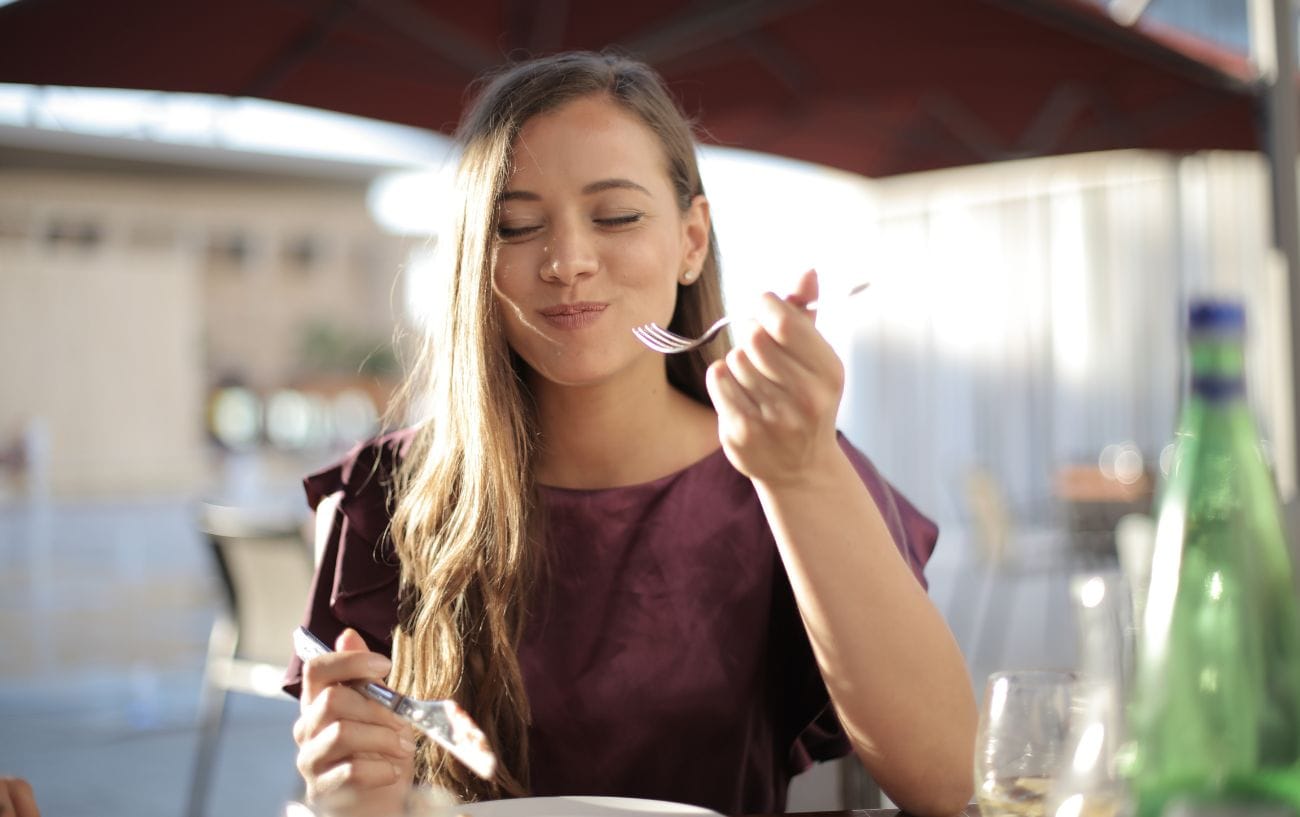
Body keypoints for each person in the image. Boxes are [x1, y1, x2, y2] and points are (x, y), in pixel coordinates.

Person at [286, 50, 976, 817]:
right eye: (516, 226)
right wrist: (342, 790)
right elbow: (345, 783)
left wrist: (802, 474)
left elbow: (949, 782)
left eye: (616, 216)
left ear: (691, 239)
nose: (568, 262)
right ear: (476, 262)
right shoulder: (383, 495)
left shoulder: (789, 467)